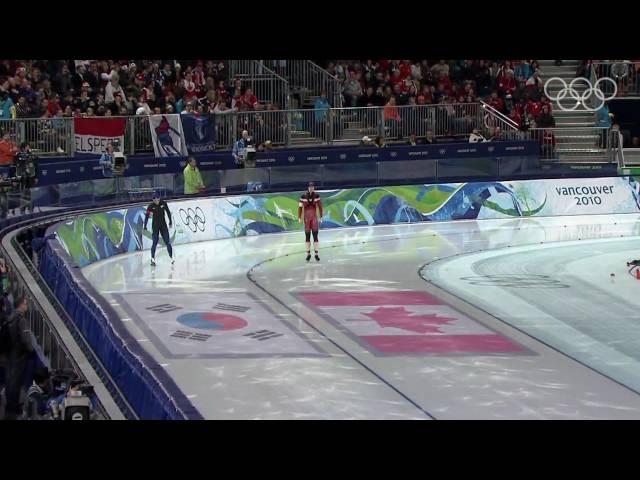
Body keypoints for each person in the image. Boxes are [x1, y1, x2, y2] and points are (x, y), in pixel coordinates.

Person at [3, 297, 34, 419]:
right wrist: (30, 350)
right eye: (26, 304)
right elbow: (26, 338)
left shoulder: (10, 318)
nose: (27, 306)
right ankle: (13, 406)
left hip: (10, 353)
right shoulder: (21, 319)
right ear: (20, 305)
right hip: (19, 354)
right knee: (16, 380)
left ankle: (9, 404)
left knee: (10, 379)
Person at [143, 191, 174, 267]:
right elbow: (147, 216)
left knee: (167, 242)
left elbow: (168, 212)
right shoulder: (150, 206)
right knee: (155, 242)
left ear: (159, 198)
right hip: (155, 226)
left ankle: (171, 257)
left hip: (163, 226)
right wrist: (145, 226)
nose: (156, 200)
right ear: (152, 199)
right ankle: (152, 259)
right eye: (154, 198)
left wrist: (170, 221)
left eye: (157, 198)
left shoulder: (163, 203)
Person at [298, 181, 323, 262]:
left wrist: (321, 217)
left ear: (314, 187)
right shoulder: (303, 196)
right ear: (308, 188)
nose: (311, 188)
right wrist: (299, 217)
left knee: (315, 236)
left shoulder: (317, 196)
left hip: (314, 219)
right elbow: (300, 208)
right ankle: (308, 254)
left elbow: (320, 206)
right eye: (310, 187)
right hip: (306, 220)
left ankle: (316, 254)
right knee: (307, 237)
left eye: (312, 187)